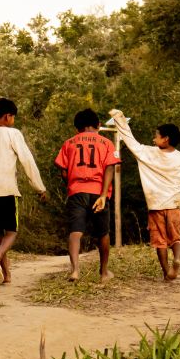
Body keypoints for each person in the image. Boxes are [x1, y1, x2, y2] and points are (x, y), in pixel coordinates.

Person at [108, 109, 180, 281]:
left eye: (156, 136)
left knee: (159, 241)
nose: (153, 139)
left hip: (155, 206)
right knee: (176, 237)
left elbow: (129, 140)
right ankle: (178, 259)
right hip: (174, 205)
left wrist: (119, 119)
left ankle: (167, 273)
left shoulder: (147, 153)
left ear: (165, 139)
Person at [0, 98, 47, 285]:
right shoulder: (12, 133)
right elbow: (27, 161)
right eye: (13, 117)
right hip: (6, 188)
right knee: (12, 231)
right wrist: (39, 187)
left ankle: (5, 275)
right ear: (8, 116)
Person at [55, 108, 120, 283]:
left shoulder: (69, 143)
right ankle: (104, 272)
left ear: (77, 128)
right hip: (98, 192)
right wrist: (103, 194)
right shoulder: (106, 143)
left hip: (77, 191)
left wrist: (71, 185)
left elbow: (63, 170)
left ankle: (75, 271)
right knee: (103, 233)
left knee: (75, 232)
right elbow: (109, 168)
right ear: (98, 125)